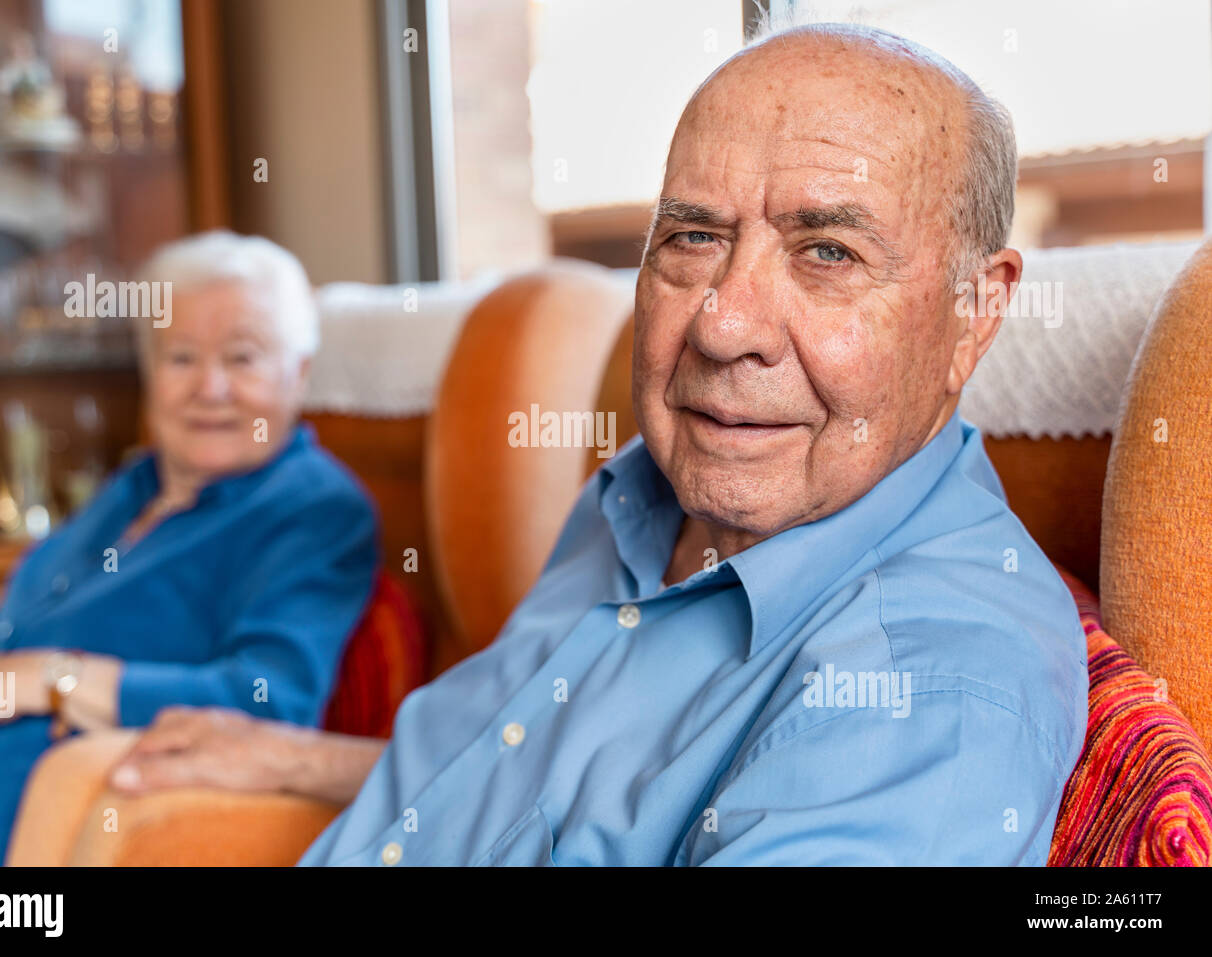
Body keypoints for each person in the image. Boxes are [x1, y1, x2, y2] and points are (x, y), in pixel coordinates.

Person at [114, 23, 1088, 866]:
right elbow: (530, 776)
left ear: (974, 311)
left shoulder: (924, 687)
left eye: (826, 252)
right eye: (693, 237)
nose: (720, 324)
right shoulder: (637, 499)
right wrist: (296, 758)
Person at [0, 231, 379, 865]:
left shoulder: (313, 510)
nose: (209, 388)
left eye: (242, 359)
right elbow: (37, 615)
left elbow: (269, 700)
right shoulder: (137, 485)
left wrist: (51, 680)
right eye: (181, 358)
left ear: (298, 373)